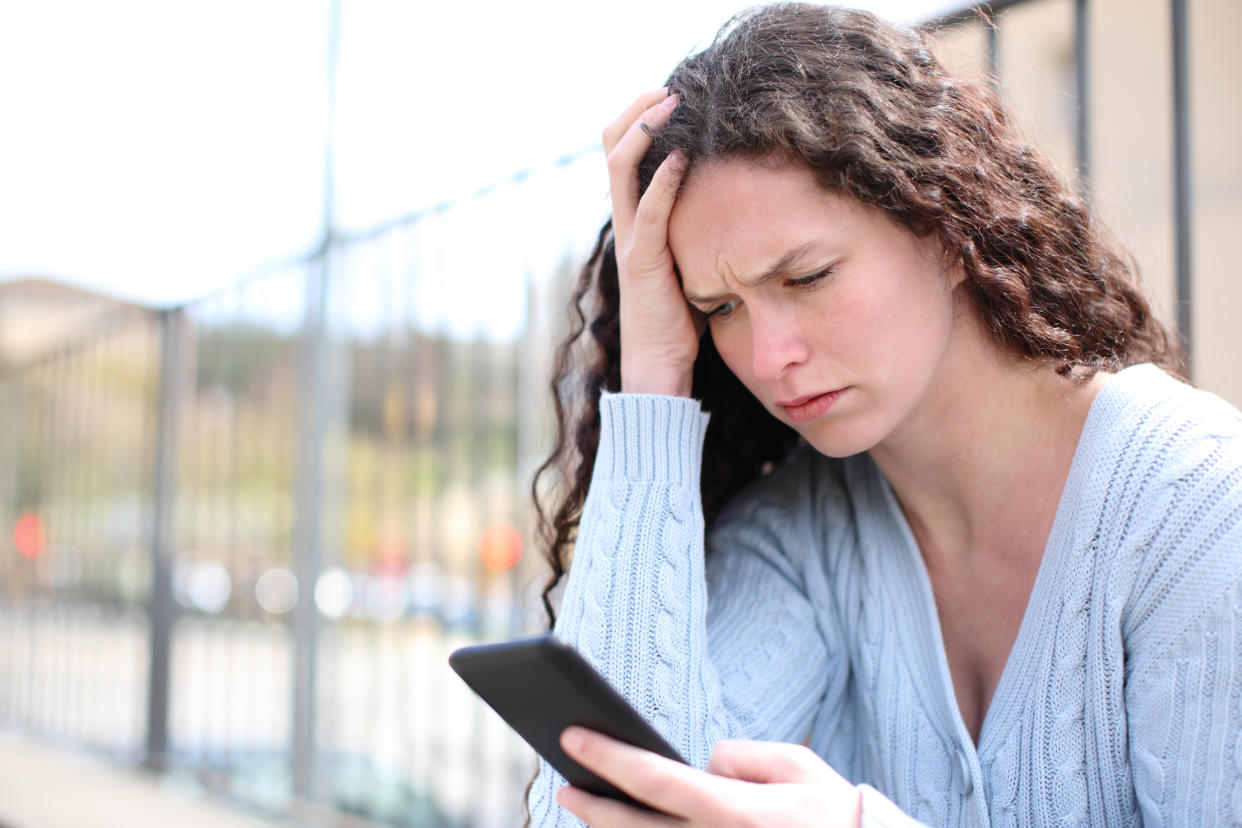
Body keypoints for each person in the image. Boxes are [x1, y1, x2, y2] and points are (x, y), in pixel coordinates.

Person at [526, 3, 1242, 826]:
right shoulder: (799, 538)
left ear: (941, 222)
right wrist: (655, 374)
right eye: (720, 307)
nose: (768, 357)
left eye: (807, 277)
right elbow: (583, 809)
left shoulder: (1195, 506)